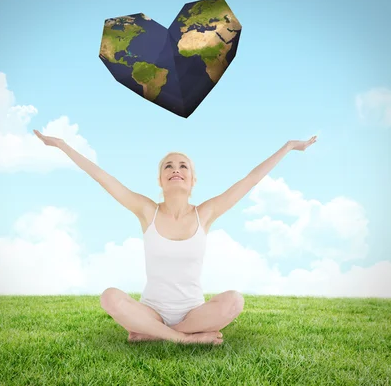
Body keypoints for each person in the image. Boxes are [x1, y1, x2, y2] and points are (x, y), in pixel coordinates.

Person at [34, 129, 317, 345]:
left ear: (193, 180)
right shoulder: (147, 211)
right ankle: (183, 338)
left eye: (183, 166)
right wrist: (62, 145)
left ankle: (153, 335)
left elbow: (250, 180)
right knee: (109, 297)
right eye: (168, 166)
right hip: (151, 311)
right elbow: (102, 177)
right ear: (160, 180)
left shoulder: (205, 213)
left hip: (193, 313)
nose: (176, 170)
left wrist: (289, 147)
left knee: (235, 301)